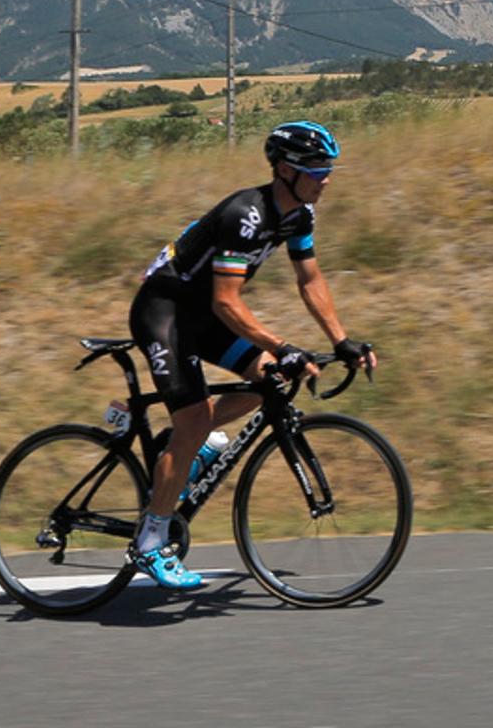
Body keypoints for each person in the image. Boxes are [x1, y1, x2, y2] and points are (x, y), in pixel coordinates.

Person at [124, 119, 375, 591]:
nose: (327, 177)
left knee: (273, 380)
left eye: (329, 167)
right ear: (284, 170)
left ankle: (187, 446)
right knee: (200, 414)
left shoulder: (298, 215)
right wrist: (282, 345)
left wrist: (341, 340)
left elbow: (311, 280)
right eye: (317, 168)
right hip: (165, 310)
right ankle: (151, 541)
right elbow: (226, 301)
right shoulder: (248, 214)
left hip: (202, 314)